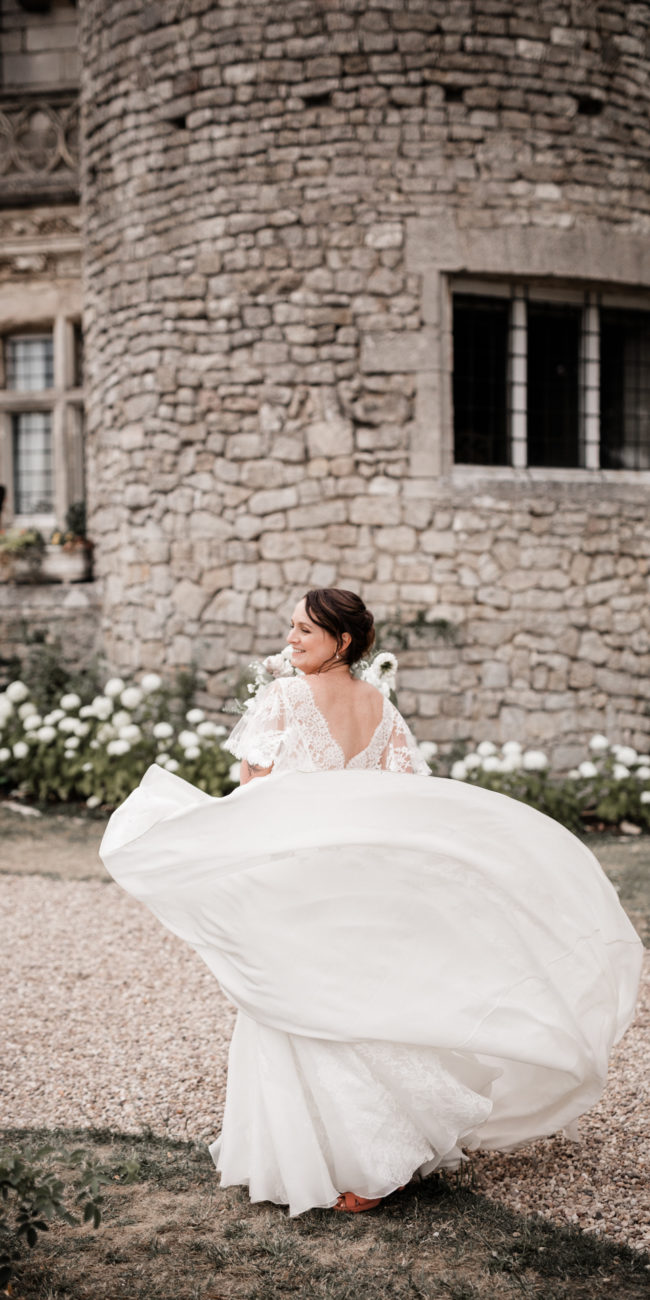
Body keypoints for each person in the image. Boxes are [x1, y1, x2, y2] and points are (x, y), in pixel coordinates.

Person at [100, 588, 643, 1217]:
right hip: (357, 889)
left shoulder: (282, 699)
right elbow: (405, 797)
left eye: (306, 630)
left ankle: (343, 1164)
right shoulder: (379, 707)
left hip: (297, 887)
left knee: (301, 1010)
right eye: (292, 627)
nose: (292, 638)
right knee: (361, 1004)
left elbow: (254, 796)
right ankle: (380, 1154)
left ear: (344, 641)